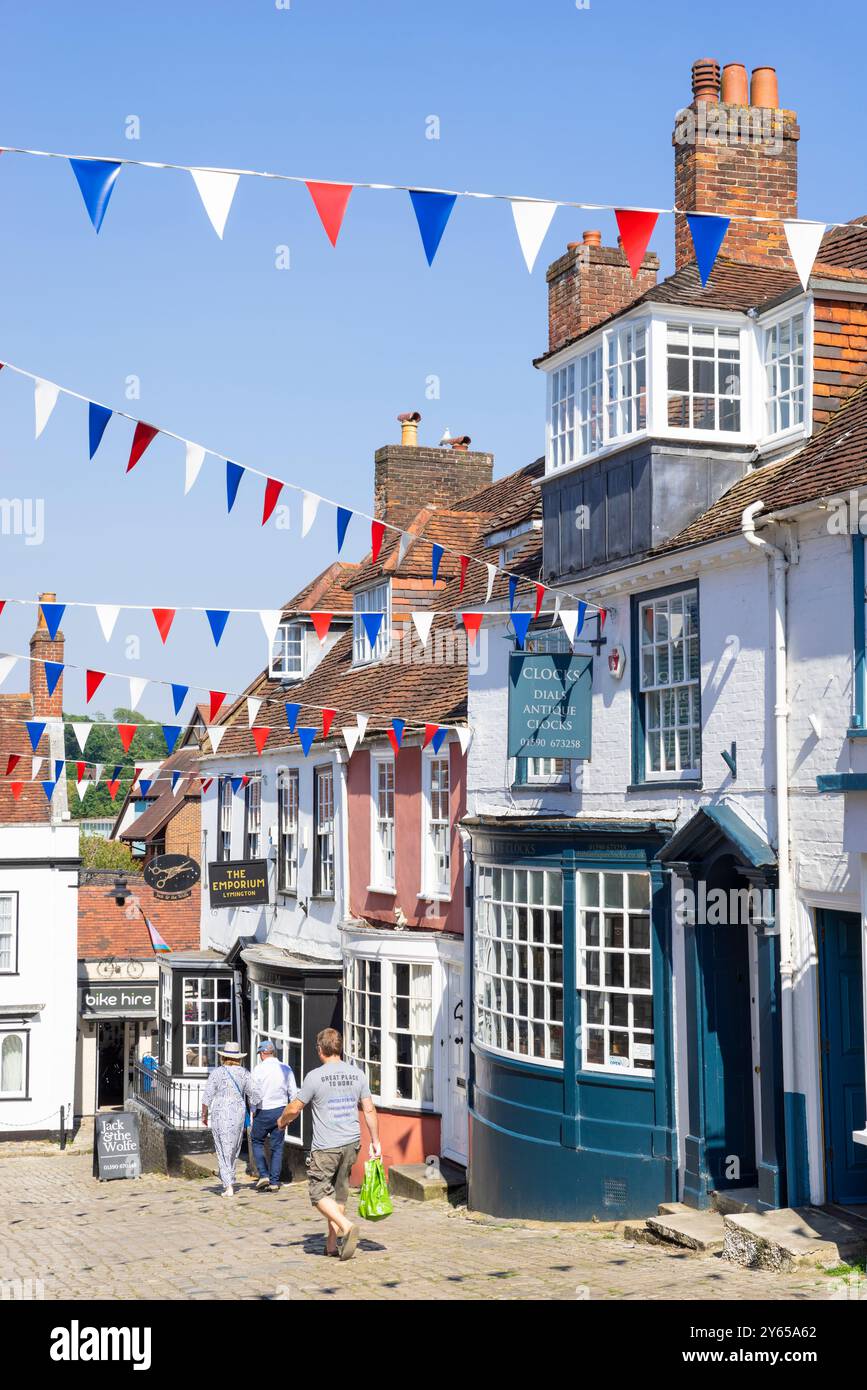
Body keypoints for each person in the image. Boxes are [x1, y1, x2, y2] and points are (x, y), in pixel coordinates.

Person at [278, 1027, 381, 1261]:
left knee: (317, 1193)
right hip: (351, 1143)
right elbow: (369, 1109)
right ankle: (332, 1245)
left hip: (327, 1146)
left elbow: (295, 1107)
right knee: (339, 1194)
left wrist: (282, 1121)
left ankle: (345, 1226)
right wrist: (375, 1141)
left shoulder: (315, 1076)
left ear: (320, 1049)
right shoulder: (358, 1074)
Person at [201, 1041, 261, 1197]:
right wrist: (253, 1107)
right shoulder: (244, 1073)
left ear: (223, 1057)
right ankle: (230, 1178)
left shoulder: (217, 1073)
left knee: (222, 1148)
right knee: (233, 1147)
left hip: (220, 1110)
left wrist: (203, 1115)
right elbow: (256, 1093)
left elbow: (207, 1096)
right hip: (237, 1111)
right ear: (238, 1058)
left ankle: (228, 1185)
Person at [250, 1039, 297, 1192]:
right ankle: (275, 1182)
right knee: (277, 1147)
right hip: (280, 1110)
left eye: (260, 1054)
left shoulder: (258, 1070)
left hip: (263, 1110)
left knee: (257, 1141)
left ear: (263, 1053)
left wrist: (253, 1110)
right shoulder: (286, 1068)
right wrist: (289, 1115)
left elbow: (254, 1094)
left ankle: (263, 1175)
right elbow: (293, 1094)